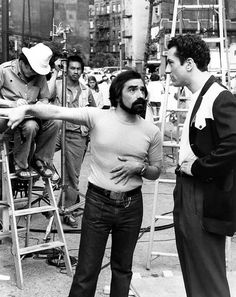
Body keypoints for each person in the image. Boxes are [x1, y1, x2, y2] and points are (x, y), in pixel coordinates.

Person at [1, 70, 162, 297]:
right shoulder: (97, 116)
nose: (140, 94)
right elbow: (57, 111)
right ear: (117, 94)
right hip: (98, 204)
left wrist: (140, 168)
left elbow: (156, 171)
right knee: (87, 271)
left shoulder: (151, 131)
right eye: (132, 89)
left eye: (142, 89)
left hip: (131, 208)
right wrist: (27, 108)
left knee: (122, 270)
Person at [166, 33, 236, 297]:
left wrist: (198, 167)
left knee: (207, 272)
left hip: (202, 194)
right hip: (188, 191)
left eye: (171, 62)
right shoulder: (198, 95)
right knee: (193, 267)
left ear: (189, 63)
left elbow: (233, 144)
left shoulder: (219, 96)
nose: (167, 69)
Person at [48, 55, 96, 228]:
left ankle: (67, 211)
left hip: (77, 136)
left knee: (72, 176)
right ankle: (53, 179)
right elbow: (47, 94)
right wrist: (56, 71)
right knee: (38, 155)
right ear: (67, 69)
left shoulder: (86, 91)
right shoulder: (58, 85)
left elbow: (93, 114)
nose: (75, 71)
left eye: (78, 69)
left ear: (82, 71)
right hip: (57, 131)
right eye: (72, 68)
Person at [0, 43, 59, 179]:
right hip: (8, 117)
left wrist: (41, 103)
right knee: (30, 126)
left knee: (55, 122)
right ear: (23, 63)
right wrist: (12, 103)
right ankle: (20, 164)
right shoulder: (4, 70)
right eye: (32, 70)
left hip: (31, 115)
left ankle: (40, 160)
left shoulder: (39, 76)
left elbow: (45, 98)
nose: (34, 74)